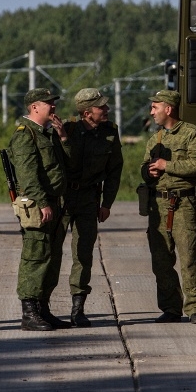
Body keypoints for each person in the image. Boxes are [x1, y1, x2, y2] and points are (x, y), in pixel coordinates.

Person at [141, 89, 196, 324]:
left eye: (155, 107)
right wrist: (148, 170)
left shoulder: (192, 133)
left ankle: (195, 307)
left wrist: (166, 164)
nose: (152, 112)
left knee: (188, 257)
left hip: (182, 203)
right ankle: (170, 307)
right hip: (157, 204)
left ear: (168, 109)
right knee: (161, 260)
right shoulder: (155, 139)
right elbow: (145, 167)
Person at [60, 88, 123, 327]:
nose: (106, 110)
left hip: (89, 199)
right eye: (101, 107)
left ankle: (78, 308)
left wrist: (107, 203)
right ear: (87, 113)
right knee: (52, 251)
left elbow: (115, 169)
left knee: (83, 254)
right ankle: (40, 305)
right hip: (64, 198)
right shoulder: (68, 130)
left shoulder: (110, 133)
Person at [8, 88, 70, 331]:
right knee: (35, 257)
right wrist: (43, 203)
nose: (53, 107)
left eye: (53, 103)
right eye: (48, 103)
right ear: (34, 107)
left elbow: (64, 165)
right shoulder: (25, 135)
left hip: (54, 203)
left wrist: (63, 136)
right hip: (38, 205)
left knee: (52, 258)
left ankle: (43, 308)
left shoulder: (45, 134)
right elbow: (27, 176)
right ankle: (29, 312)